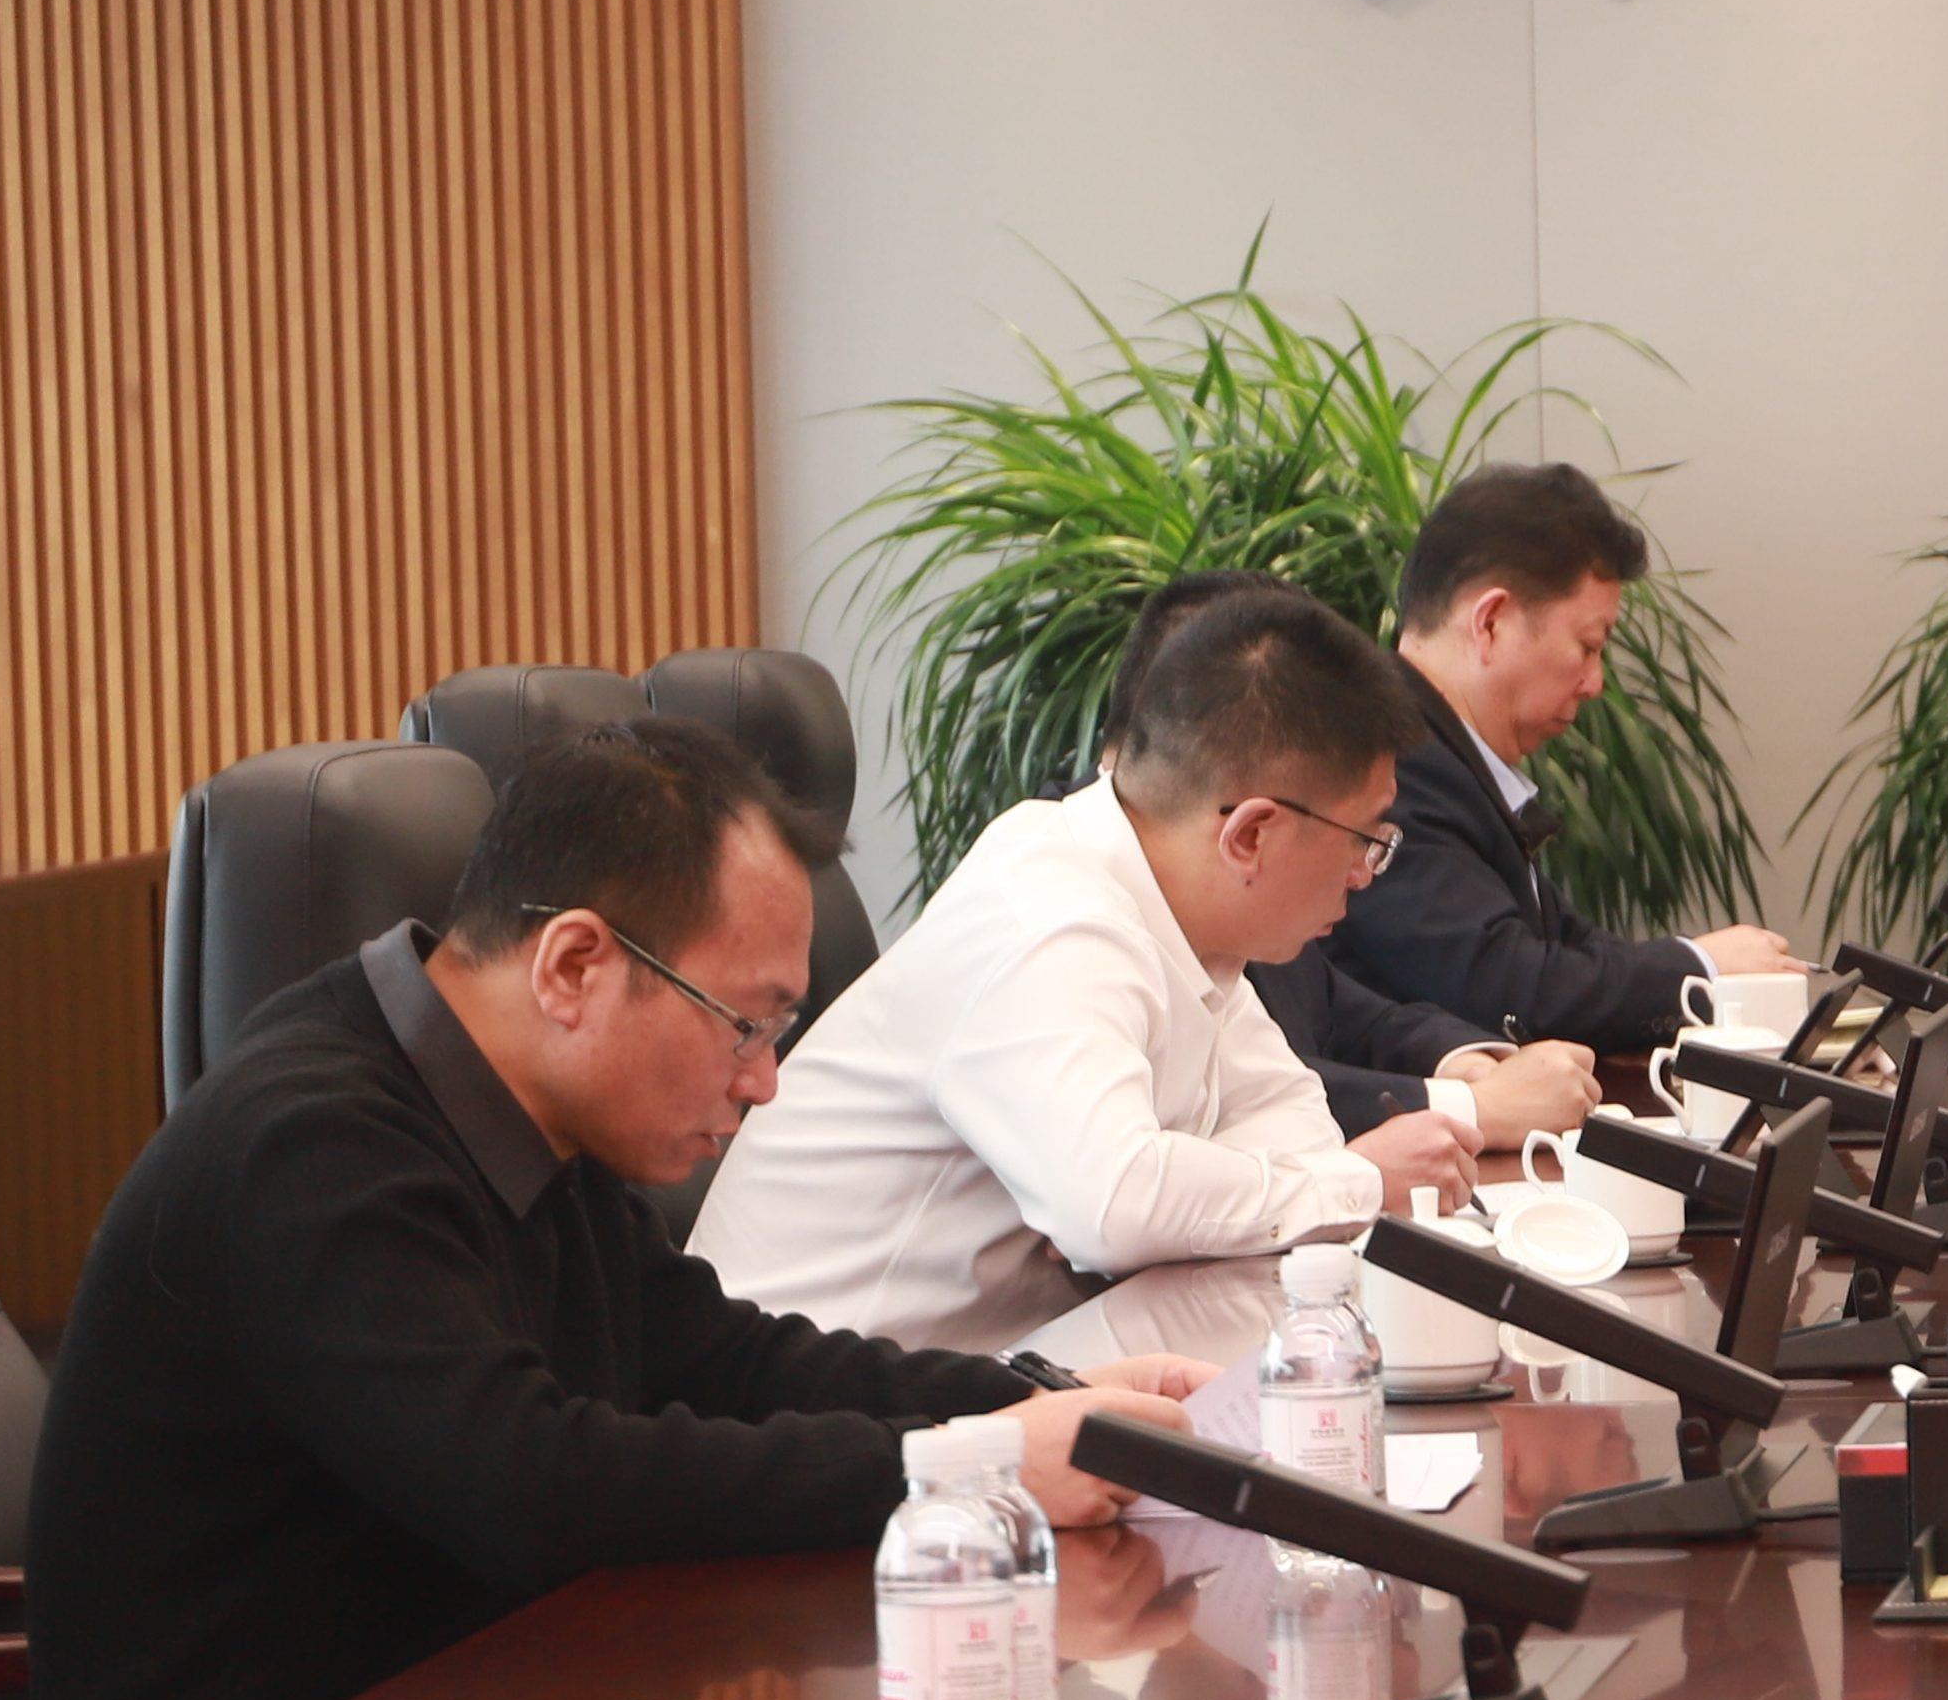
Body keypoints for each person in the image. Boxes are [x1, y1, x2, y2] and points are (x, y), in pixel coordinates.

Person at [30, 721, 1207, 1700]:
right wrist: (972, 1465)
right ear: (573, 967)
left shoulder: (522, 1107)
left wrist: (1032, 1402)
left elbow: (726, 1361)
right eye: (745, 1023)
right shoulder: (315, 1147)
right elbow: (532, 1487)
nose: (765, 1079)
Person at [691, 578, 1475, 1349]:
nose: (1366, 873)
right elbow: (1117, 1207)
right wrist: (1361, 1179)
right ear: (1249, 835)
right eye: (1366, 839)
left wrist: (1169, 1202)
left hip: (984, 1374)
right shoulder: (1049, 918)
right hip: (806, 1390)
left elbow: (1286, 1121)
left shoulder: (1181, 916)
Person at [1049, 571, 1597, 1146]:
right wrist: (1472, 1109)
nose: (1364, 873)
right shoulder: (1062, 906)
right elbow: (1133, 1178)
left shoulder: (1233, 871)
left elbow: (1297, 1066)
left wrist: (1462, 1063)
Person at [1318, 464, 1799, 1058]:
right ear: (1490, 623)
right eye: (1589, 647)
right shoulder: (1387, 761)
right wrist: (1700, 967)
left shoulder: (1449, 758)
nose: (1595, 683)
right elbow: (1507, 990)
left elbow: (1570, 951)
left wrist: (1712, 972)